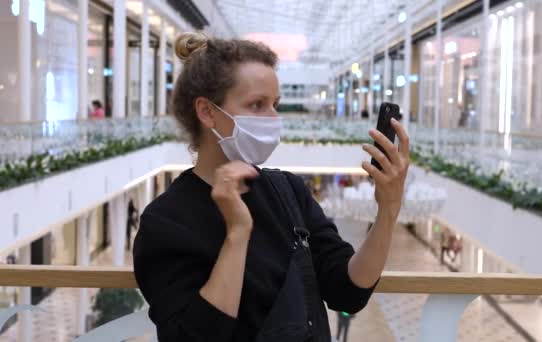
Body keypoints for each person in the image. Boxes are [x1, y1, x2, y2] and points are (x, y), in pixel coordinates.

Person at [133, 32, 410, 341]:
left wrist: (387, 210)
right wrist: (237, 234)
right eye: (257, 105)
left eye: (275, 104)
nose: (273, 118)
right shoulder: (166, 221)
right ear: (207, 111)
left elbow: (348, 292)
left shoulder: (287, 191)